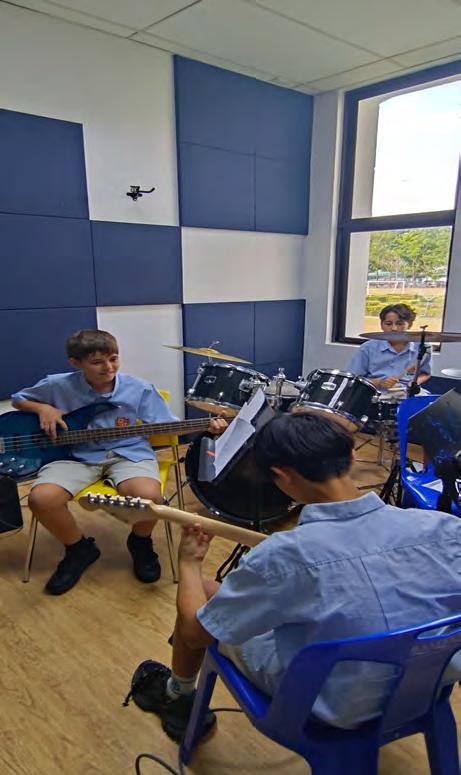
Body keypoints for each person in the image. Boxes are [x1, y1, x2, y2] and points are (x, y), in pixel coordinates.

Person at [127, 411, 461, 742]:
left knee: (199, 592)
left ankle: (177, 693)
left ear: (282, 476)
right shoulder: (444, 528)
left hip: (333, 705)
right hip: (425, 688)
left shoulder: (282, 558)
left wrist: (189, 563)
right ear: (351, 455)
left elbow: (196, 633)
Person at [12, 329, 226, 595]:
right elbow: (19, 399)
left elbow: (167, 425)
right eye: (97, 362)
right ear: (76, 363)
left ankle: (140, 541)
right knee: (41, 499)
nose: (108, 367)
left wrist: (208, 425)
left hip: (128, 452)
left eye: (113, 359)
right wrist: (43, 408)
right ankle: (78, 549)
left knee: (151, 499)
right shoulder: (57, 385)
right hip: (74, 456)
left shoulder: (138, 388)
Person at [347, 303, 431, 390]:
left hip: (407, 392)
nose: (394, 328)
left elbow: (425, 373)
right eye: (388, 324)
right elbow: (353, 379)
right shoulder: (368, 348)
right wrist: (380, 383)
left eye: (400, 324)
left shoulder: (422, 347)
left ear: (409, 325)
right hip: (377, 392)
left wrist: (414, 382)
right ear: (381, 325)